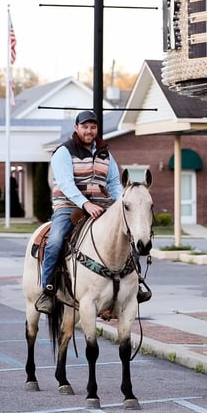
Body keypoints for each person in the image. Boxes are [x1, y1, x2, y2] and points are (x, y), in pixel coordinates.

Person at [34, 110, 123, 314]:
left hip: (102, 206)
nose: (89, 130)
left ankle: (134, 287)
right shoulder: (64, 151)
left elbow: (114, 182)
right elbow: (65, 183)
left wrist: (121, 204)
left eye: (92, 127)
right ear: (76, 128)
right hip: (69, 207)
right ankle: (47, 290)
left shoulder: (105, 153)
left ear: (97, 129)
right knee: (56, 240)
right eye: (85, 127)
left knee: (127, 235)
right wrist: (85, 204)